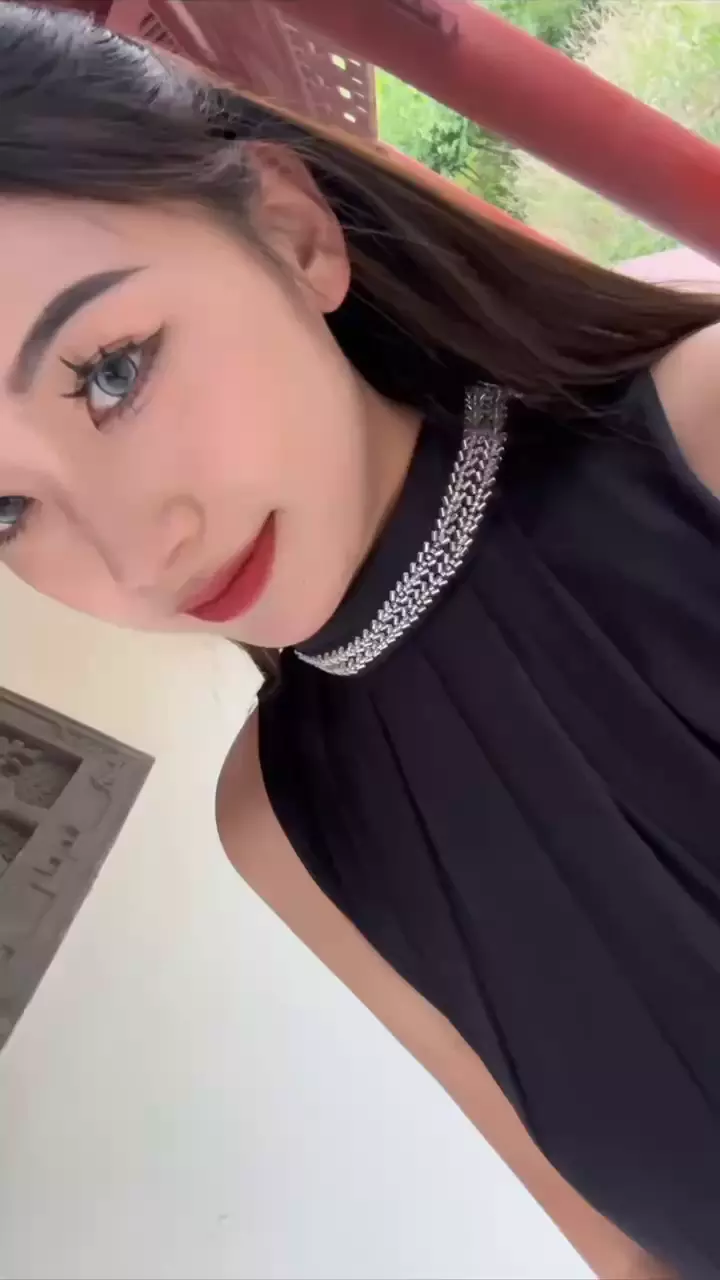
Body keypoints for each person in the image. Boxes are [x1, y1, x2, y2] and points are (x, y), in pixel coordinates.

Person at [2, 5, 719, 1275]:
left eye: (111, 372)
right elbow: (632, 1254)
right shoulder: (285, 823)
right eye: (5, 510)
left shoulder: (707, 435)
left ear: (293, 232)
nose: (135, 555)